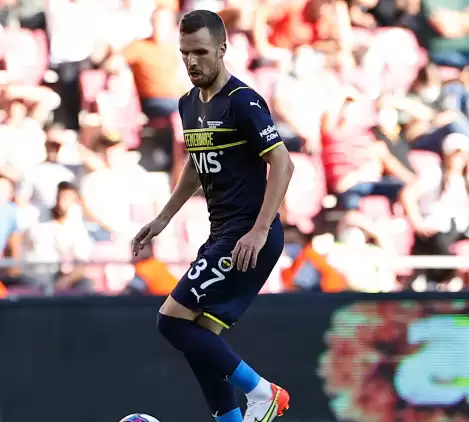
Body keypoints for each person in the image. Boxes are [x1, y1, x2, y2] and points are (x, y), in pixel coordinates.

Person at [131, 10, 294, 422]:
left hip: (247, 235)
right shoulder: (187, 104)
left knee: (171, 322)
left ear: (222, 49)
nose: (192, 61)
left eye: (201, 52)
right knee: (200, 340)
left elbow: (283, 163)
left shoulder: (243, 101)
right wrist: (164, 217)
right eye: (185, 53)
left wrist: (259, 230)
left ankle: (264, 393)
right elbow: (196, 161)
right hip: (222, 232)